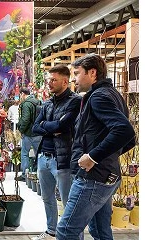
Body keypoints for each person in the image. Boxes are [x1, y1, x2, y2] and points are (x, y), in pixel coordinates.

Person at [56, 54, 135, 239]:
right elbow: (129, 138)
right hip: (106, 175)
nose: (74, 79)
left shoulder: (99, 97)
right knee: (99, 231)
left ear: (92, 73)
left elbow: (125, 131)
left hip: (92, 178)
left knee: (66, 231)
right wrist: (108, 156)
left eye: (77, 73)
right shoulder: (112, 94)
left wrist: (93, 157)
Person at [31, 65, 81, 240]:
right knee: (47, 198)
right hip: (44, 157)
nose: (49, 83)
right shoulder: (48, 103)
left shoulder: (75, 101)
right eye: (49, 79)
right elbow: (35, 127)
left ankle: (74, 236)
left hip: (63, 159)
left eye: (54, 80)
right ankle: (51, 230)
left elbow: (63, 125)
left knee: (69, 203)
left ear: (65, 81)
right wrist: (50, 127)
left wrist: (48, 126)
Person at [16, 88, 41, 181]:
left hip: (29, 133)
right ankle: (39, 174)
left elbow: (25, 119)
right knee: (38, 154)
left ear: (22, 94)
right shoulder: (38, 102)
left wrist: (21, 130)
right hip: (38, 132)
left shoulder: (26, 104)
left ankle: (24, 175)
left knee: (25, 153)